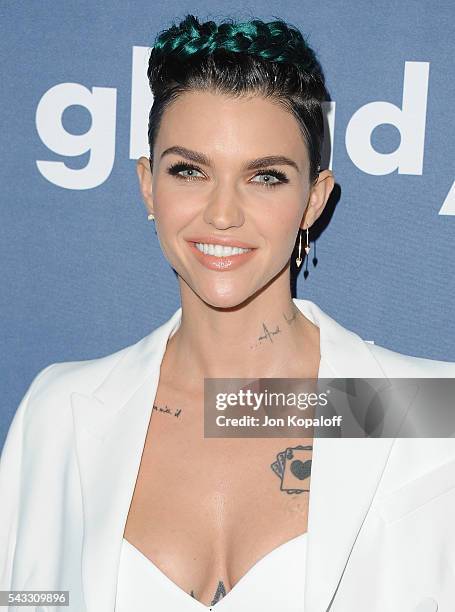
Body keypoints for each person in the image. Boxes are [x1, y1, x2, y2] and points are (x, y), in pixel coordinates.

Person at [1, 13, 454, 612]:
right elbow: (28, 598)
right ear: (147, 184)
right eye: (189, 171)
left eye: (265, 177)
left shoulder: (417, 409)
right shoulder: (60, 413)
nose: (222, 214)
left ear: (313, 198)